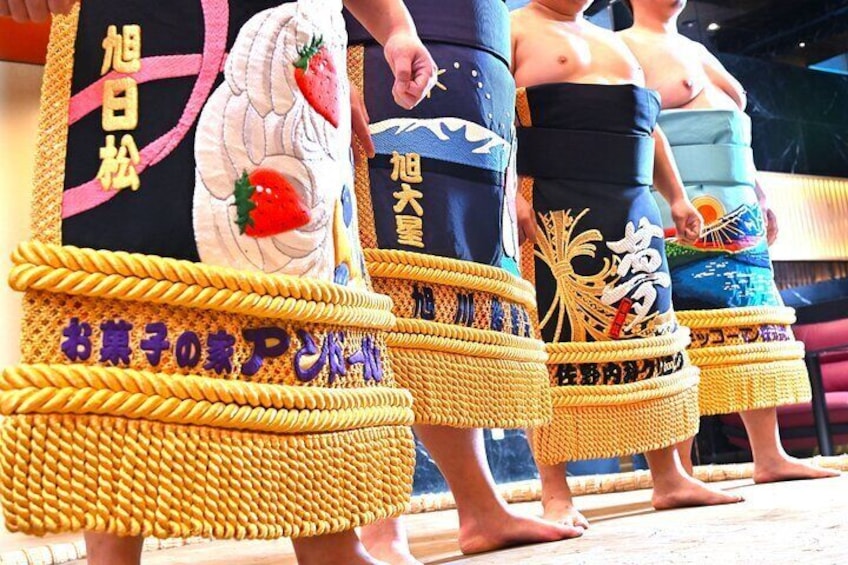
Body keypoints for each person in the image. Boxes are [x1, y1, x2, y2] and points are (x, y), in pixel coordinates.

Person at [0, 1, 439, 565]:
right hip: (142, 33)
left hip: (294, 32)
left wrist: (396, 29)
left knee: (301, 290)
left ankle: (332, 542)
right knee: (126, 267)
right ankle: (111, 555)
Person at [344, 1, 580, 562]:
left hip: (475, 82)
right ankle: (379, 525)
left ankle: (480, 507)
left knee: (450, 305)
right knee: (376, 290)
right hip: (371, 54)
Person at [510, 0, 743, 529]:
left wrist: (678, 198)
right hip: (551, 199)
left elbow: (650, 126)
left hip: (632, 203)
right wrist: (508, 190)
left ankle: (670, 477)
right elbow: (490, 112)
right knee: (554, 339)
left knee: (650, 335)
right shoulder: (513, 27)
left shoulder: (614, 42)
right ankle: (555, 492)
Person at [619, 0, 839, 483]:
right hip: (675, 206)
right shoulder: (621, 49)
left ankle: (770, 454)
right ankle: (679, 469)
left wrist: (761, 194)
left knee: (752, 326)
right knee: (683, 331)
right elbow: (629, 131)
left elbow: (738, 132)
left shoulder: (698, 49)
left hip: (739, 205)